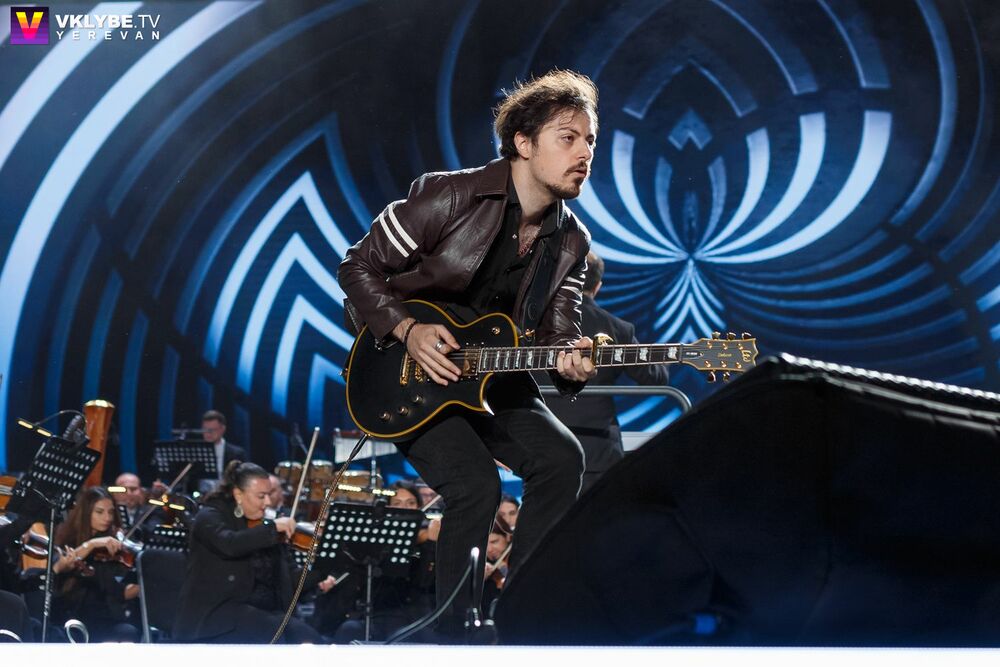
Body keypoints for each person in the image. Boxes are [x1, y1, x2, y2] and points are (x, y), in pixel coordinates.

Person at [338, 69, 599, 633]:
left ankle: (522, 614)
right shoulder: (449, 195)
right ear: (523, 143)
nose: (584, 153)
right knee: (476, 486)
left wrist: (572, 363)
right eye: (568, 137)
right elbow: (358, 267)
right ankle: (454, 632)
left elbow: (558, 339)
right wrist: (406, 328)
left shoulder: (572, 242)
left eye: (590, 141)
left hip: (494, 375)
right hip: (406, 372)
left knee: (562, 458)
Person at [543, 252, 669, 493]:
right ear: (597, 286)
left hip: (544, 447)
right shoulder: (617, 329)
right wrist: (663, 360)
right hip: (597, 450)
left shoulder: (536, 325)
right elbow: (654, 377)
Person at [173, 461, 329, 643]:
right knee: (274, 634)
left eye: (269, 495)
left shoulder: (266, 528)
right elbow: (230, 544)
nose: (268, 503)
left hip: (263, 613)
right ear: (238, 494)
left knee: (310, 639)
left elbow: (290, 580)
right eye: (261, 496)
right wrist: (271, 529)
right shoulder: (210, 516)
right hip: (216, 614)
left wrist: (325, 567)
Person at [52, 486, 140, 642]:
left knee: (129, 630)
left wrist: (145, 586)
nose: (107, 518)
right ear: (86, 514)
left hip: (103, 616)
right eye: (99, 512)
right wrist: (92, 544)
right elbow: (64, 562)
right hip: (71, 611)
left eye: (110, 512)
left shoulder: (111, 547)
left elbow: (117, 591)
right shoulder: (68, 539)